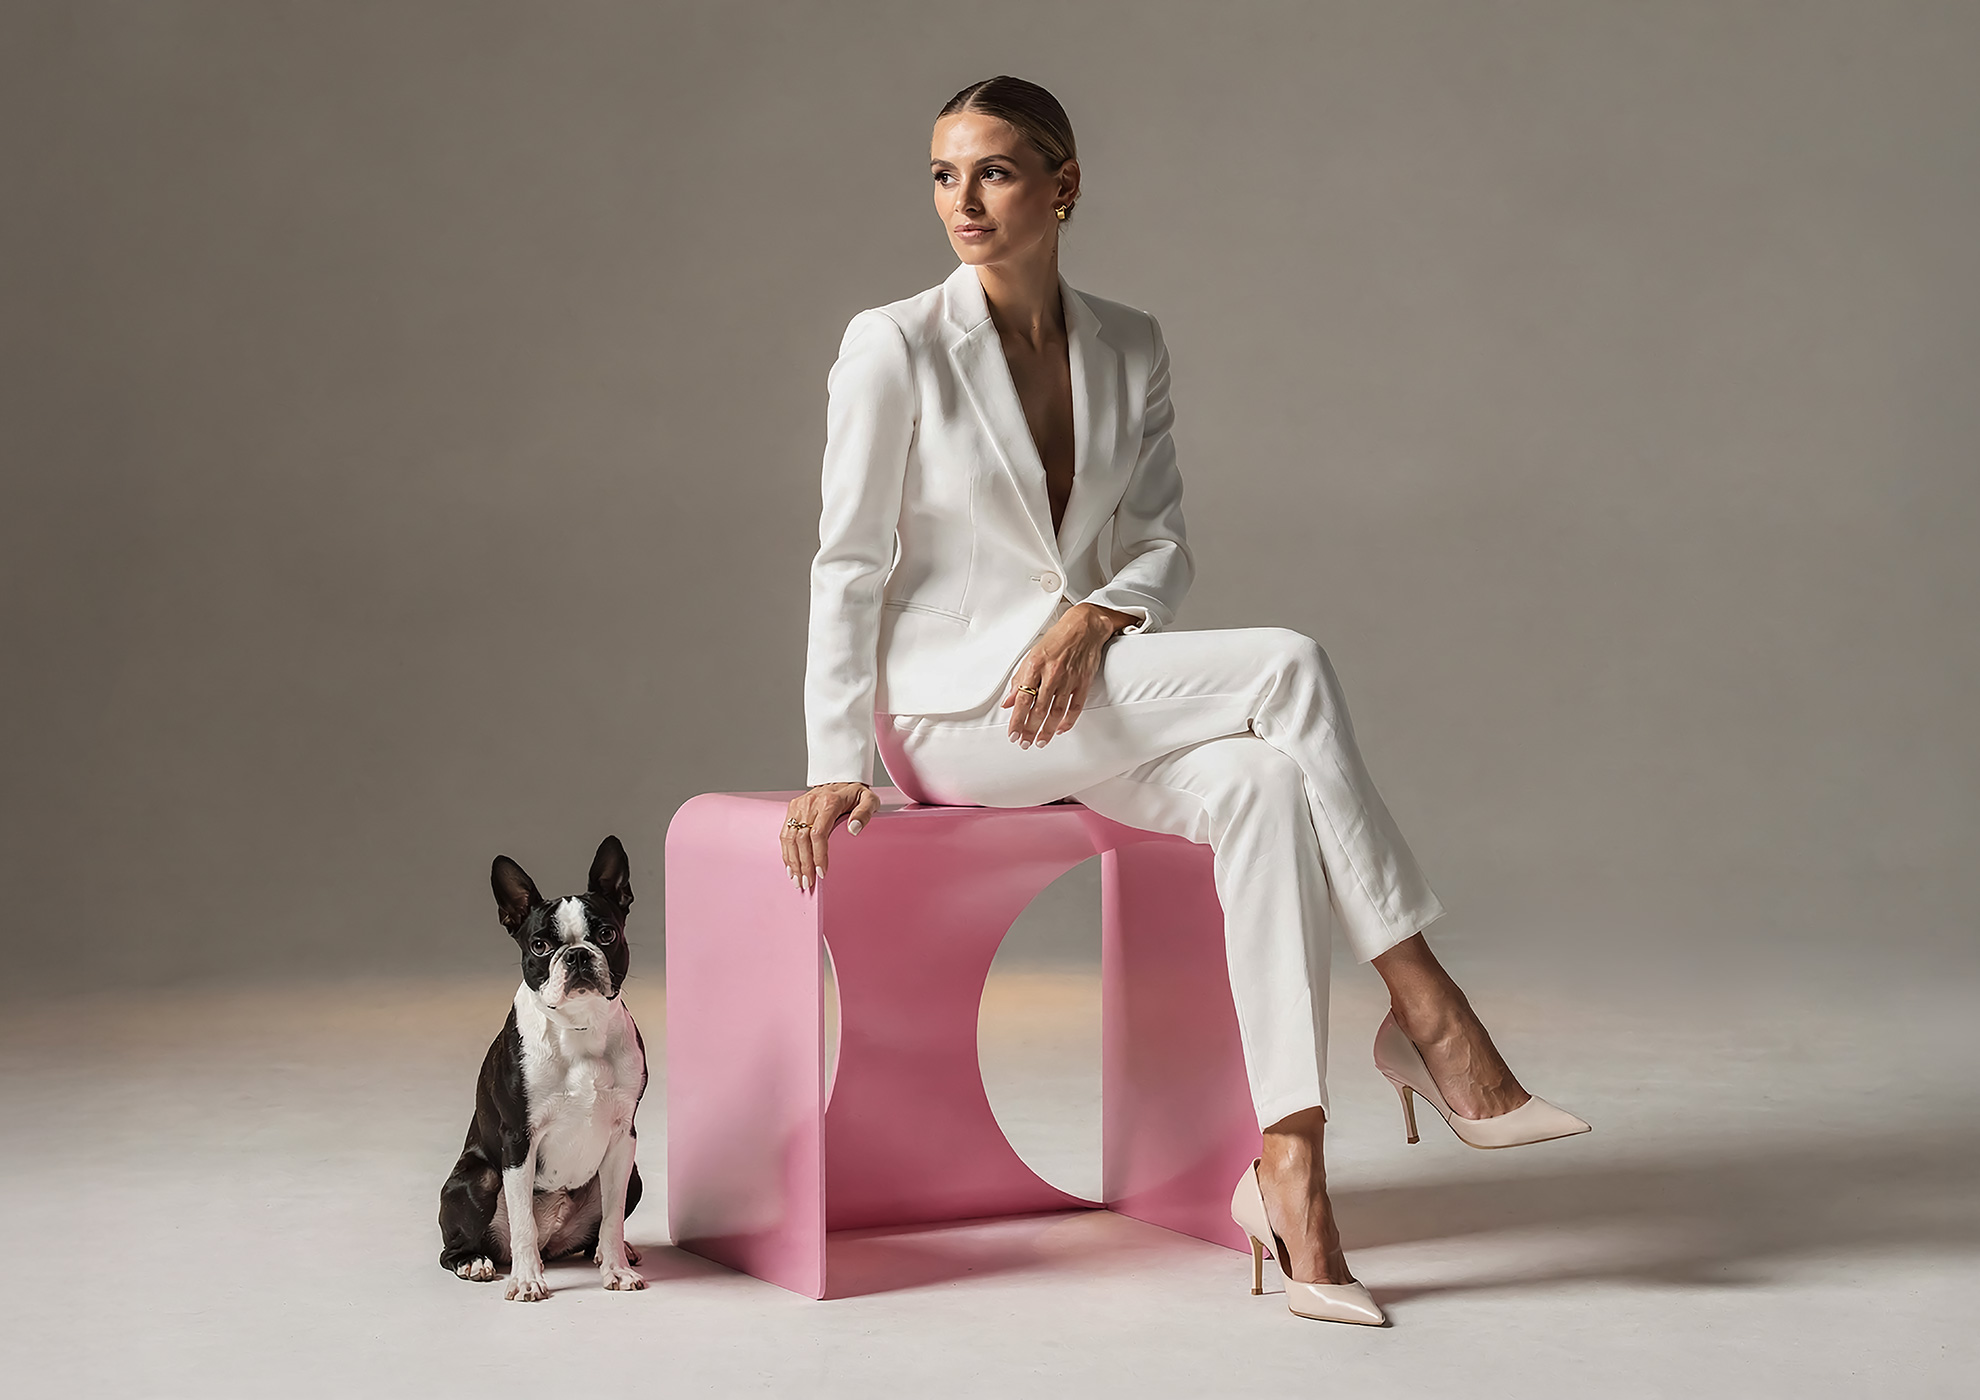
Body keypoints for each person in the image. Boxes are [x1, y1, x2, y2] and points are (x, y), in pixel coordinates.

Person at [780, 75, 1588, 1326]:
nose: (965, 201)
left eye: (994, 170)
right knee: (1288, 663)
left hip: (1083, 690)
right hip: (953, 715)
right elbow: (848, 560)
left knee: (1264, 783)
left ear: (1065, 184)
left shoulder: (1130, 342)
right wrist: (838, 753)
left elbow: (1158, 544)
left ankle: (1292, 1167)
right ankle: (1430, 1008)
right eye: (944, 174)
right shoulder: (892, 344)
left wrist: (1100, 613)